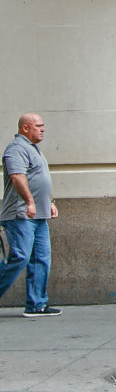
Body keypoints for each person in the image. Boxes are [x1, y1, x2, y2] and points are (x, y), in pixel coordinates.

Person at [0, 114, 61, 317]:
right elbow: (17, 177)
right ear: (25, 128)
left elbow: (39, 180)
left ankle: (36, 305)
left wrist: (50, 203)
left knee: (41, 259)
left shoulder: (34, 150)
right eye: (38, 126)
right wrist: (29, 202)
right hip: (20, 215)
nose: (42, 129)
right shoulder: (16, 149)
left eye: (43, 125)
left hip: (38, 216)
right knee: (20, 257)